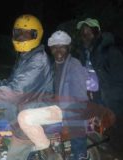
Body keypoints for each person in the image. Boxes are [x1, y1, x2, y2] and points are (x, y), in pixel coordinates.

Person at [0, 14, 54, 160]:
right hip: (25, 104)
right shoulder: (26, 56)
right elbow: (11, 81)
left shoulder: (38, 59)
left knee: (14, 155)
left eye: (27, 34)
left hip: (35, 108)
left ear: (36, 35)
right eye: (19, 33)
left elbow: (16, 90)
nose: (22, 38)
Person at [17, 30, 90, 160]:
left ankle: (51, 152)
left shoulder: (74, 65)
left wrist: (69, 124)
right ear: (51, 49)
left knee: (25, 117)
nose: (58, 50)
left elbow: (80, 101)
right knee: (23, 110)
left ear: (69, 48)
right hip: (56, 107)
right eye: (55, 47)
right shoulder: (53, 66)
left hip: (68, 111)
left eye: (62, 46)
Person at [75, 18, 123, 115]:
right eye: (83, 32)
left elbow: (120, 81)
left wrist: (109, 100)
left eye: (89, 31)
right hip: (93, 101)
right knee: (94, 129)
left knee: (112, 128)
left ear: (98, 32)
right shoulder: (83, 53)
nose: (86, 35)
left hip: (110, 104)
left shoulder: (111, 51)